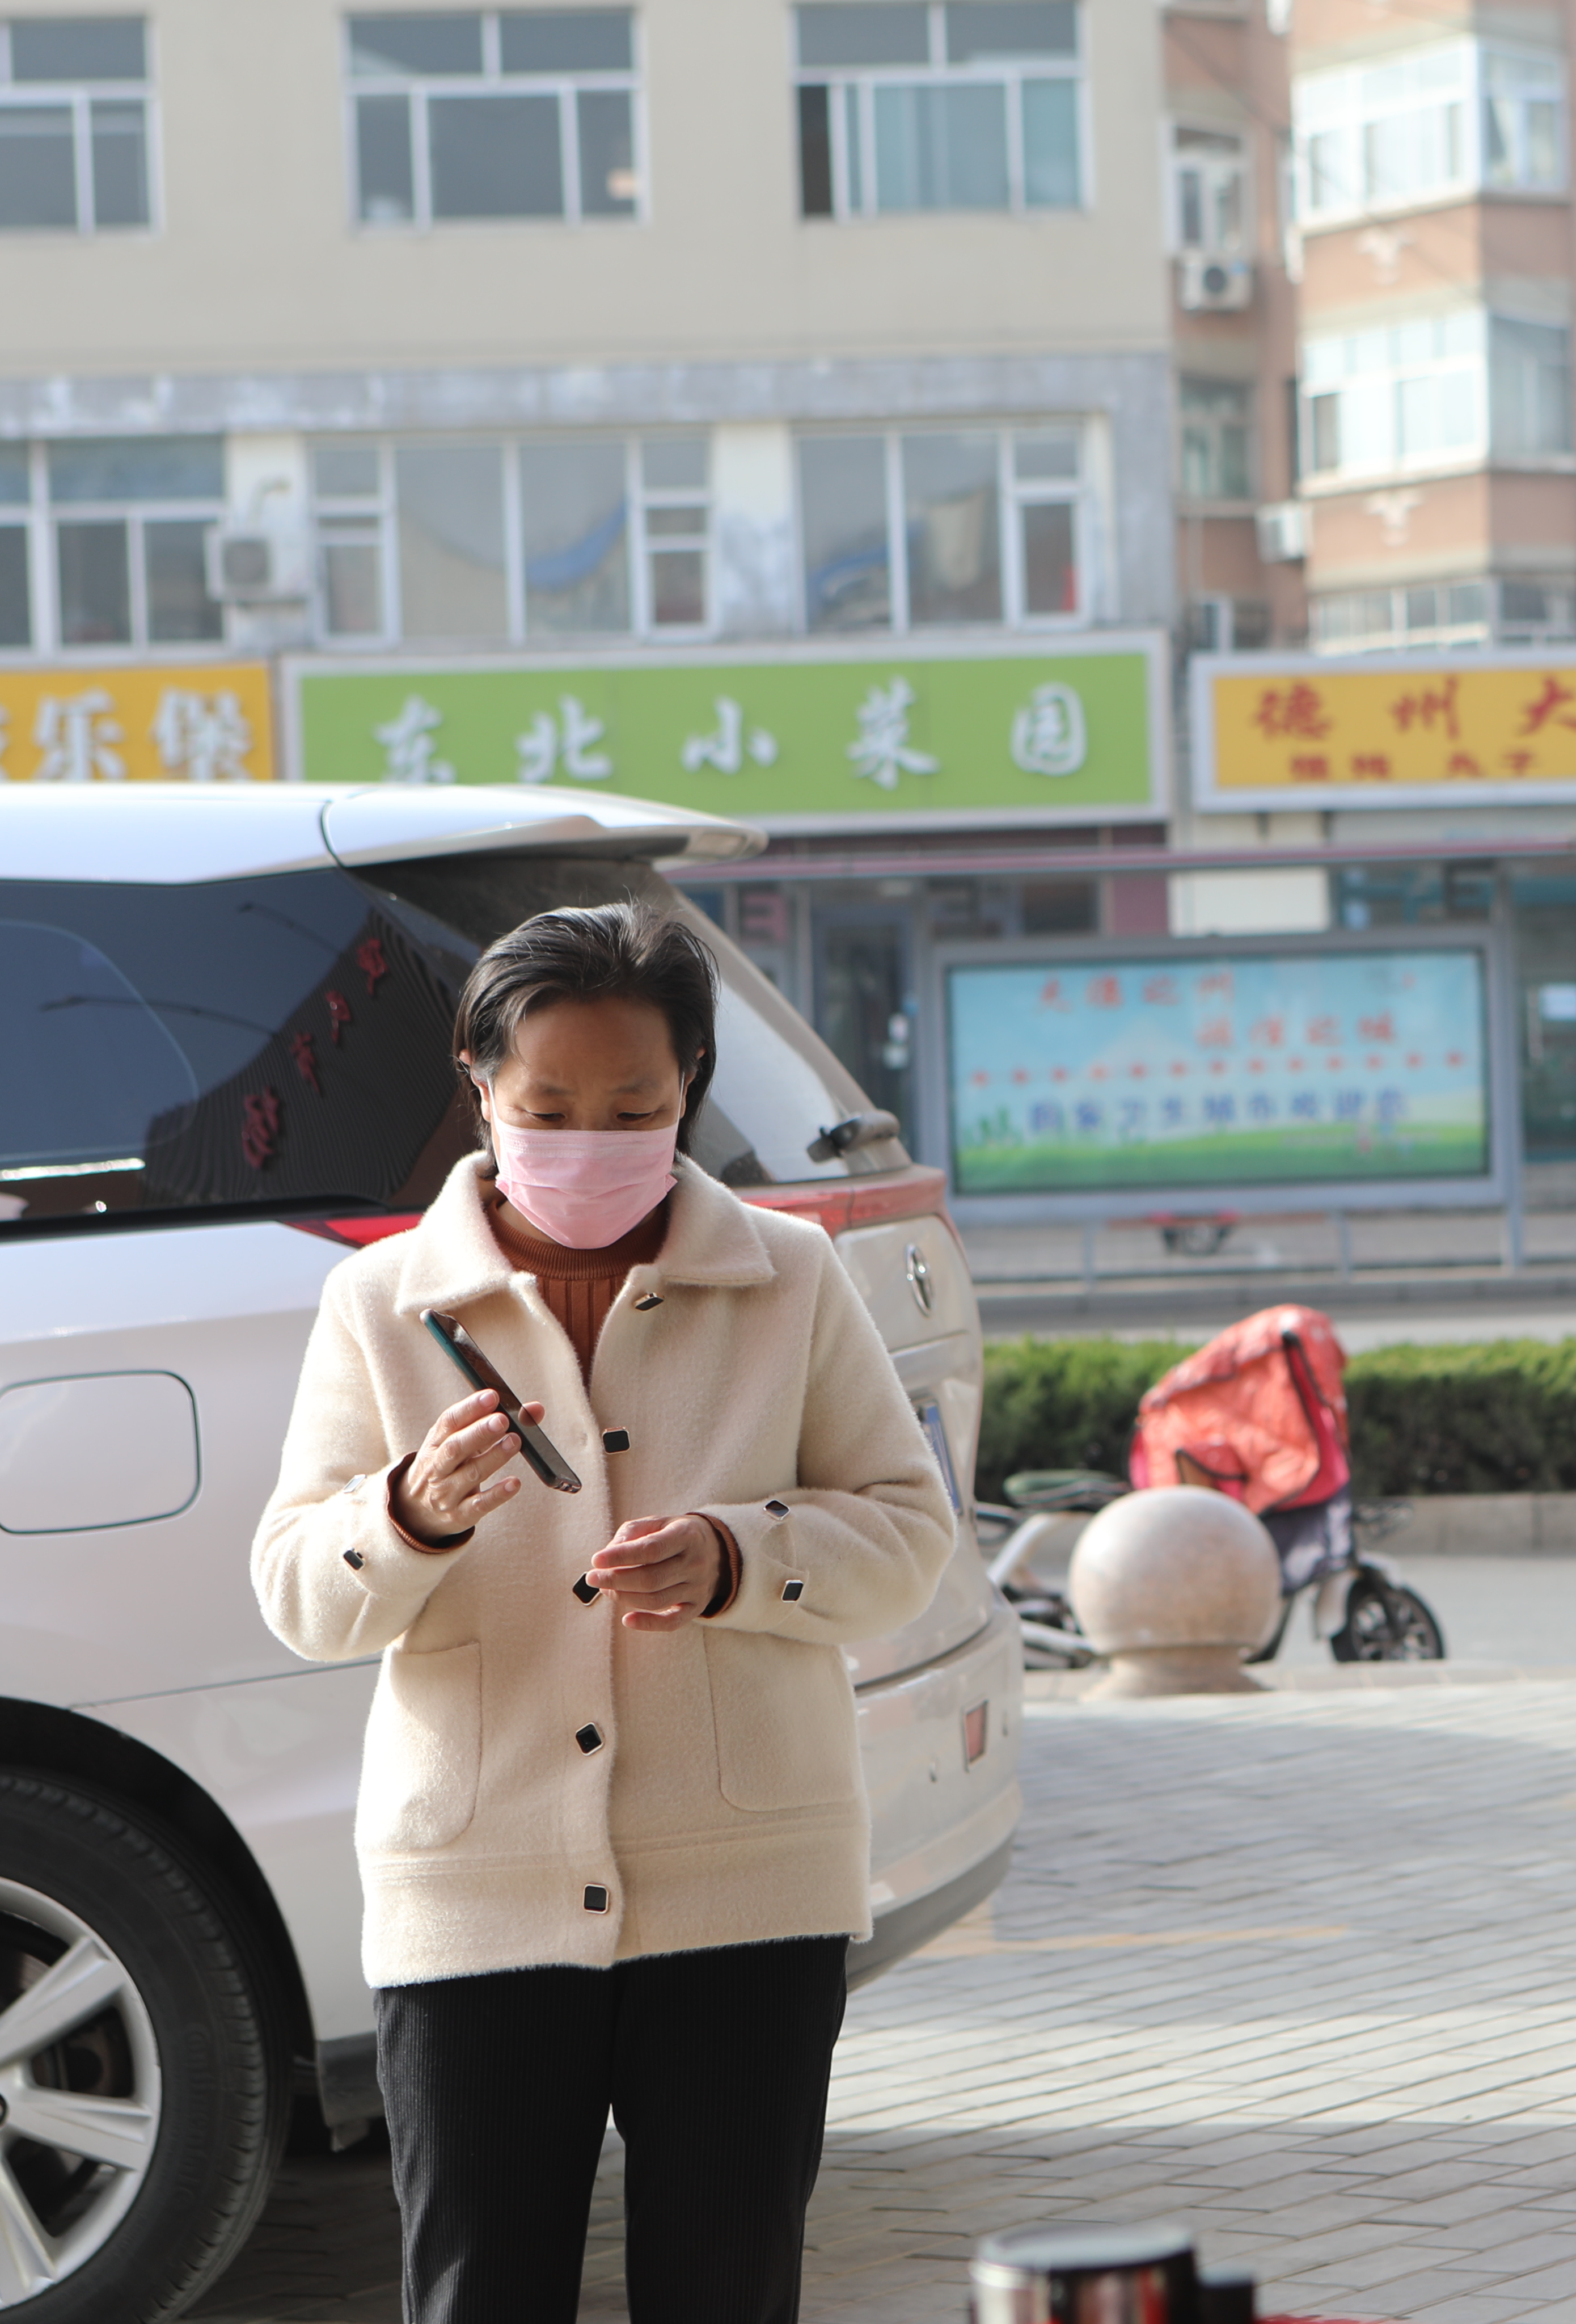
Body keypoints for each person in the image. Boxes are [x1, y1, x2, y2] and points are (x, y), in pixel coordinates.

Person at [251, 903, 953, 2324]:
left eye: (633, 1105)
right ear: (480, 1085)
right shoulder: (382, 1304)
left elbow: (907, 1536)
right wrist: (409, 1515)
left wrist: (739, 1558)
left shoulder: (788, 1274)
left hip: (749, 1885)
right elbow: (298, 1597)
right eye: (547, 1105)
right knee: (480, 2293)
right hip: (477, 1890)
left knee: (727, 2289)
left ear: (690, 1079)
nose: (590, 1137)